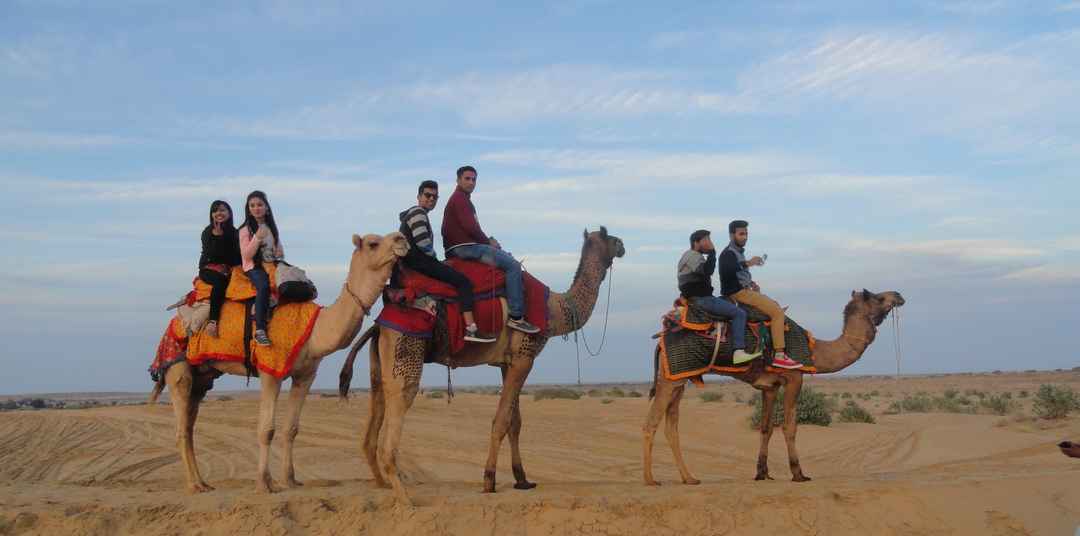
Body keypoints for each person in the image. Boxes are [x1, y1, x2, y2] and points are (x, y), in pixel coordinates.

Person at [441, 165, 540, 334]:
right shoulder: (460, 199)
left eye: (474, 179)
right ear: (458, 180)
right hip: (465, 248)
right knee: (513, 266)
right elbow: (471, 228)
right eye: (467, 178)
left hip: (461, 247)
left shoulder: (461, 199)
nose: (471, 182)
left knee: (504, 257)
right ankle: (516, 317)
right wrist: (488, 242)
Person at [399, 180, 495, 343]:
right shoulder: (418, 213)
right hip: (422, 263)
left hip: (416, 264)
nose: (431, 199)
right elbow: (423, 243)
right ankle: (471, 328)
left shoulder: (412, 214)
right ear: (419, 196)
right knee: (464, 282)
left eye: (435, 197)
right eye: (427, 195)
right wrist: (435, 259)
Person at [719, 220, 802, 369]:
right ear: (732, 235)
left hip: (744, 290)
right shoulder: (728, 253)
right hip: (738, 294)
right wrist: (748, 263)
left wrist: (751, 283)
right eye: (741, 234)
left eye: (746, 234)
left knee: (773, 306)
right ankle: (779, 355)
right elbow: (727, 271)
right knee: (777, 313)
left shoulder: (737, 253)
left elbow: (737, 273)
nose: (744, 237)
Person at [677, 230, 761, 364]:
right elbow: (707, 271)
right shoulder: (692, 255)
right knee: (739, 313)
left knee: (728, 302)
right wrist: (712, 252)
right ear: (696, 242)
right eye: (707, 240)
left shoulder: (690, 256)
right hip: (702, 300)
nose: (710, 243)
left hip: (700, 298)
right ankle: (738, 351)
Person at [238, 191, 283, 346]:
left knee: (293, 282)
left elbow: (278, 251)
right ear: (248, 209)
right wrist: (257, 237)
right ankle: (260, 329)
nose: (256, 208)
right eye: (252, 205)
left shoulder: (271, 228)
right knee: (263, 286)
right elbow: (247, 255)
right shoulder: (245, 230)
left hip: (271, 264)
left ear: (266, 208)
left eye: (259, 205)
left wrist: (278, 252)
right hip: (254, 267)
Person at [198, 200, 241, 338]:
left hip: (229, 268)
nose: (219, 213)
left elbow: (235, 256)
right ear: (212, 214)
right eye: (215, 211)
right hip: (209, 268)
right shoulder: (207, 232)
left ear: (229, 213)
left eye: (222, 210)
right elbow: (212, 255)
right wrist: (217, 237)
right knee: (220, 282)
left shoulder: (234, 232)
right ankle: (213, 321)